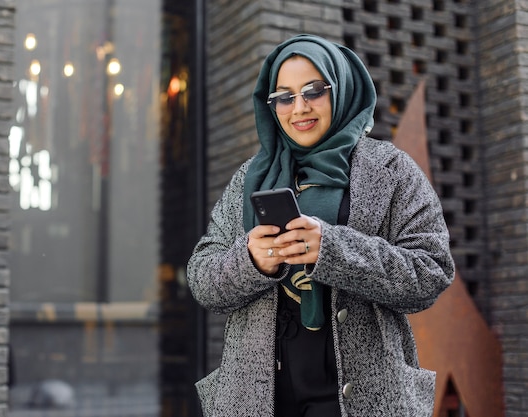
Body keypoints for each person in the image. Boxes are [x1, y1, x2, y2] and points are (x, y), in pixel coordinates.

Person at [186, 34, 455, 417]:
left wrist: (333, 250)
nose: (299, 108)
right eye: (284, 96)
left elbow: (431, 272)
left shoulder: (390, 170)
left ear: (341, 89)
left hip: (364, 398)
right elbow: (202, 278)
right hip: (263, 399)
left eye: (314, 90)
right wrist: (251, 260)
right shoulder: (250, 177)